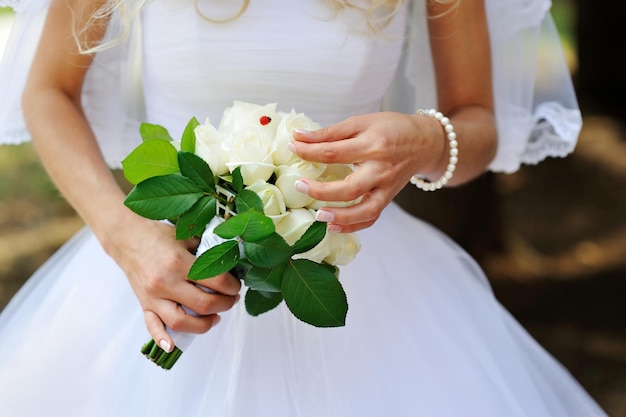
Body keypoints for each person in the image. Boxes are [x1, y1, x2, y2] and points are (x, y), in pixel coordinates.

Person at [0, 0, 608, 416]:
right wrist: (125, 237)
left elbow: (477, 121)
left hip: (366, 277)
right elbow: (47, 91)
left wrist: (425, 139)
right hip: (166, 262)